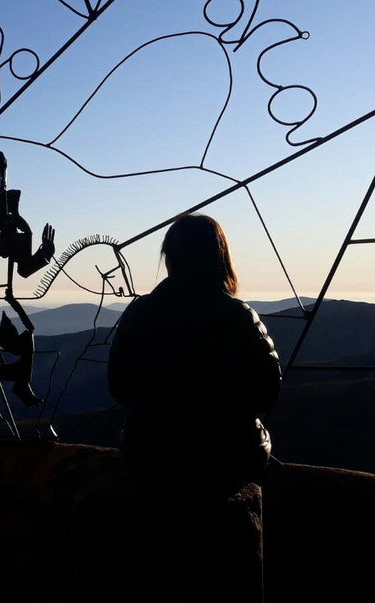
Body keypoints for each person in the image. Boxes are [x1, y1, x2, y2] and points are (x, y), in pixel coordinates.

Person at [107, 212, 282, 495]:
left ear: (170, 257)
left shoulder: (140, 313)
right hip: (230, 458)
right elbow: (267, 391)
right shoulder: (239, 316)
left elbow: (120, 387)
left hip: (149, 454)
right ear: (219, 257)